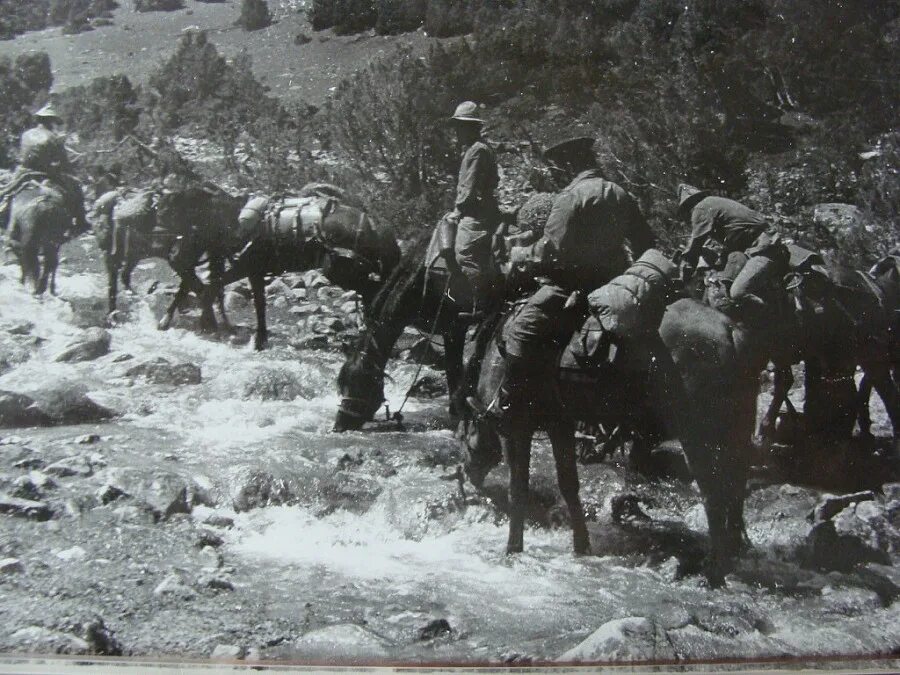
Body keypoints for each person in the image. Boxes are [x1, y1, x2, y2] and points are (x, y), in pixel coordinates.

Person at [495, 136, 656, 418]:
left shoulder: (571, 197)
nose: (557, 173)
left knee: (520, 331)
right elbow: (644, 241)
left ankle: (509, 404)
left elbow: (551, 251)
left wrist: (520, 253)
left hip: (571, 287)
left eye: (558, 167)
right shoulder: (619, 192)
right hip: (616, 284)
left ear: (569, 165)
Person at [437, 101, 502, 313]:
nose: (457, 132)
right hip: (479, 209)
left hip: (478, 213)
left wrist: (458, 211)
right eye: (457, 126)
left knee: (464, 253)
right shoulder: (476, 149)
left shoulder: (477, 151)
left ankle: (482, 304)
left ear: (472, 127)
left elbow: (470, 188)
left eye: (461, 126)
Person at [0, 104, 88, 234]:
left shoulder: (25, 134)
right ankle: (81, 222)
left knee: (6, 191)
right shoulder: (53, 138)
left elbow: (23, 155)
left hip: (23, 171)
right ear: (51, 121)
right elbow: (64, 163)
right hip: (45, 172)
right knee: (76, 188)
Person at [677, 183, 769, 272]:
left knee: (739, 288)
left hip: (758, 243)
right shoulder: (711, 202)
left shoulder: (700, 208)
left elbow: (696, 243)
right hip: (760, 237)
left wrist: (686, 263)